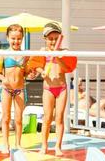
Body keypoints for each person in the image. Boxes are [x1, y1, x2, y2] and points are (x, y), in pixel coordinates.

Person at [35, 22, 71, 156]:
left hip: (62, 88)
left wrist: (57, 57)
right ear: (45, 39)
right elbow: (37, 65)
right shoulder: (42, 52)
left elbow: (68, 69)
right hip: (48, 88)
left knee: (59, 117)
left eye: (56, 39)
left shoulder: (64, 52)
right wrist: (41, 71)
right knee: (47, 117)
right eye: (50, 39)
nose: (53, 41)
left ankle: (57, 146)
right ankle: (44, 146)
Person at [0, 24, 29, 154]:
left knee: (19, 119)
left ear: (22, 38)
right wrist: (2, 78)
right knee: (5, 118)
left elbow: (26, 72)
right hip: (6, 89)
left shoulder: (25, 55)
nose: (16, 41)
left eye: (19, 38)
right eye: (13, 38)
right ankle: (5, 144)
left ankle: (18, 143)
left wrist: (29, 74)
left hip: (20, 89)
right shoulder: (3, 54)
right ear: (7, 38)